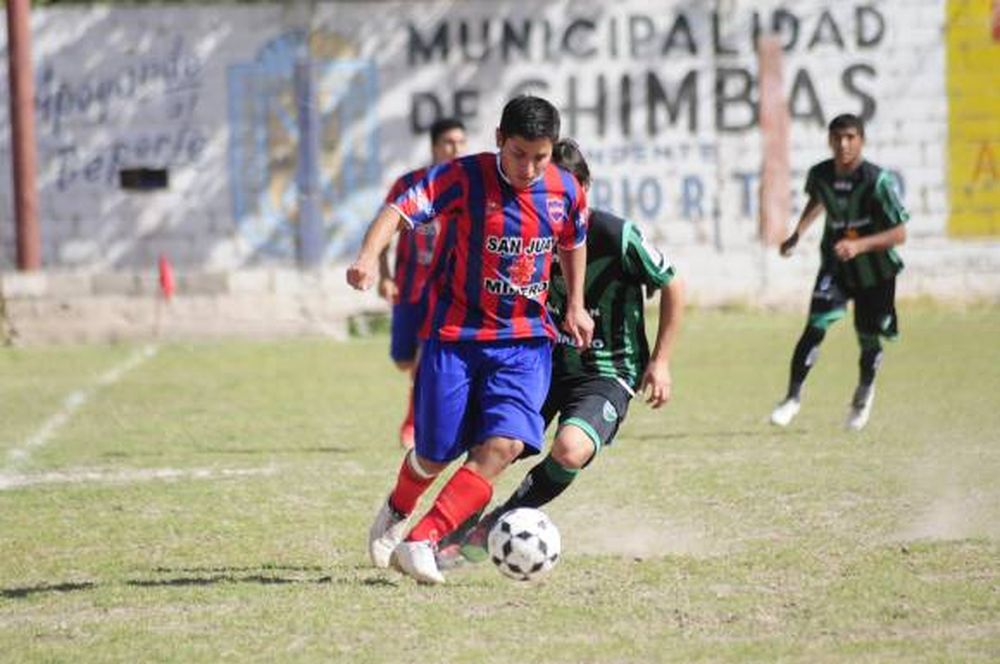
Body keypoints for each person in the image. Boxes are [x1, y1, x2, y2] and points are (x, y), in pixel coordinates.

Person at [346, 95, 594, 584]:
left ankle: (425, 540)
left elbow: (572, 241)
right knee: (435, 453)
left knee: (503, 446)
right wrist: (368, 258)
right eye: (519, 154)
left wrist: (575, 304)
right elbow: (398, 210)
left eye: (540, 157)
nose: (528, 168)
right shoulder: (462, 178)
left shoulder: (565, 190)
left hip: (524, 342)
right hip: (456, 337)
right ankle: (398, 509)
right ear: (500, 139)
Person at [437, 139, 685, 566]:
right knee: (496, 444)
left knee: (570, 449)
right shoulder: (528, 234)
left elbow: (672, 284)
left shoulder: (616, 235)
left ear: (584, 189)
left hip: (607, 371)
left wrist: (660, 362)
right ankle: (444, 531)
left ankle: (496, 522)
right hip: (543, 364)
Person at [769, 113, 908, 431]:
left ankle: (862, 397)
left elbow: (899, 234)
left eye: (850, 137)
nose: (843, 144)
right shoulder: (820, 174)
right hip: (836, 265)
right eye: (837, 138)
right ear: (829, 140)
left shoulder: (877, 180)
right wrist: (797, 233)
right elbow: (818, 199)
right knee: (816, 323)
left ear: (861, 140)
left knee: (868, 336)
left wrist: (860, 246)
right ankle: (791, 399)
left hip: (876, 273)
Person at [377, 118, 468, 449]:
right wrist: (384, 276)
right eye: (449, 142)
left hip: (446, 290)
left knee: (427, 359)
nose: (456, 149)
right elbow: (384, 229)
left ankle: (413, 423)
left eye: (461, 142)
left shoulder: (469, 186)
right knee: (404, 358)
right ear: (434, 146)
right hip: (408, 286)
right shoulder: (409, 184)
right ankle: (418, 401)